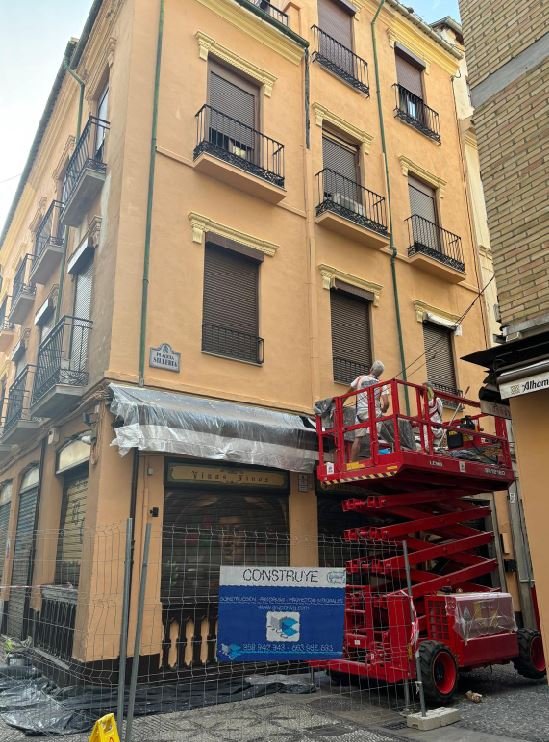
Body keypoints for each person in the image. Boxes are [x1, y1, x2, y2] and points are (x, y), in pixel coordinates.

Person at [349, 360, 390, 461]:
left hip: (361, 413)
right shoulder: (382, 384)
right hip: (375, 413)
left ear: (371, 369)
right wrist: (384, 409)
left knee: (357, 439)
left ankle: (352, 462)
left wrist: (340, 403)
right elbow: (386, 403)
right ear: (380, 373)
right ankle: (374, 460)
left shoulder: (360, 379)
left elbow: (349, 392)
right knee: (374, 437)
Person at [422, 382, 443, 449]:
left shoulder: (437, 399)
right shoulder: (426, 401)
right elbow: (423, 414)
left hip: (434, 423)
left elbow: (440, 412)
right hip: (430, 423)